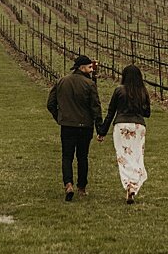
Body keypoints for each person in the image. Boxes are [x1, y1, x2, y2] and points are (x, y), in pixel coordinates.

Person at [47, 55, 101, 201]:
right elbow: (95, 107)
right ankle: (81, 187)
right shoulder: (89, 85)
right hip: (85, 126)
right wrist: (99, 127)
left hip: (67, 125)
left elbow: (50, 103)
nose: (91, 70)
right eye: (89, 67)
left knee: (67, 156)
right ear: (81, 68)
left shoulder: (61, 81)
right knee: (82, 157)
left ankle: (68, 184)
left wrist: (59, 117)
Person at [98, 64, 151, 204]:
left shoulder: (119, 90)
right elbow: (147, 113)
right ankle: (134, 185)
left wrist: (102, 131)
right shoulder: (143, 92)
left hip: (121, 125)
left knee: (123, 157)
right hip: (138, 126)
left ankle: (129, 185)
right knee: (137, 156)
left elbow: (111, 112)